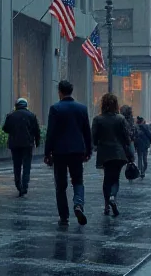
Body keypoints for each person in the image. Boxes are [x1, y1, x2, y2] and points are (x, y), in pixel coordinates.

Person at [44, 80, 92, 226]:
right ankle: (78, 204)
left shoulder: (55, 109)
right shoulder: (82, 108)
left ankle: (64, 217)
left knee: (61, 185)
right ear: (71, 91)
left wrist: (47, 152)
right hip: (77, 151)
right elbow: (87, 132)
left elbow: (51, 133)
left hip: (59, 152)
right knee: (78, 180)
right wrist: (89, 150)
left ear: (60, 92)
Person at [91, 94, 133, 217]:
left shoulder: (97, 119)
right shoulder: (120, 119)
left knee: (107, 178)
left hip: (105, 153)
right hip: (119, 153)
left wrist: (96, 144)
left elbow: (93, 138)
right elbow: (127, 138)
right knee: (115, 178)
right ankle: (113, 197)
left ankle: (106, 206)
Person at [3, 98, 41, 197]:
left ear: (16, 105)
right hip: (27, 144)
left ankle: (18, 184)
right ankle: (25, 186)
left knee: (17, 165)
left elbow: (5, 128)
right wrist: (37, 142)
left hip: (14, 144)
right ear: (26, 105)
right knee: (26, 165)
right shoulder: (31, 115)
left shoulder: (11, 115)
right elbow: (36, 131)